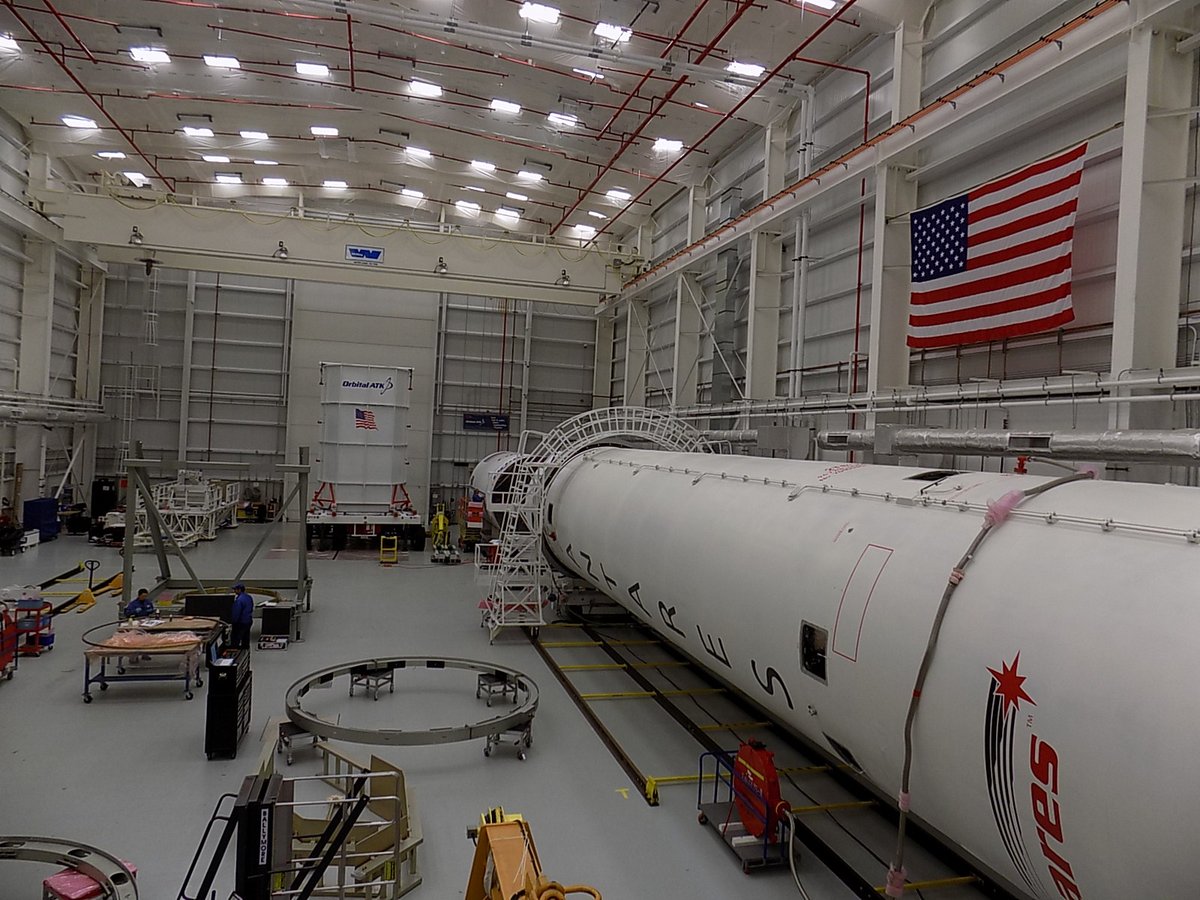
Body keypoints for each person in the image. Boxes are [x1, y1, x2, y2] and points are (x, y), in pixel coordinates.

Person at [230, 582, 254, 650]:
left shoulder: (239, 600)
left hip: (240, 623)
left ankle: (234, 655)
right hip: (248, 621)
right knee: (246, 639)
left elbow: (236, 613)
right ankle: (245, 652)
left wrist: (233, 622)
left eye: (235, 589)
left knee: (235, 640)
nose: (234, 591)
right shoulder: (249, 597)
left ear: (239, 589)